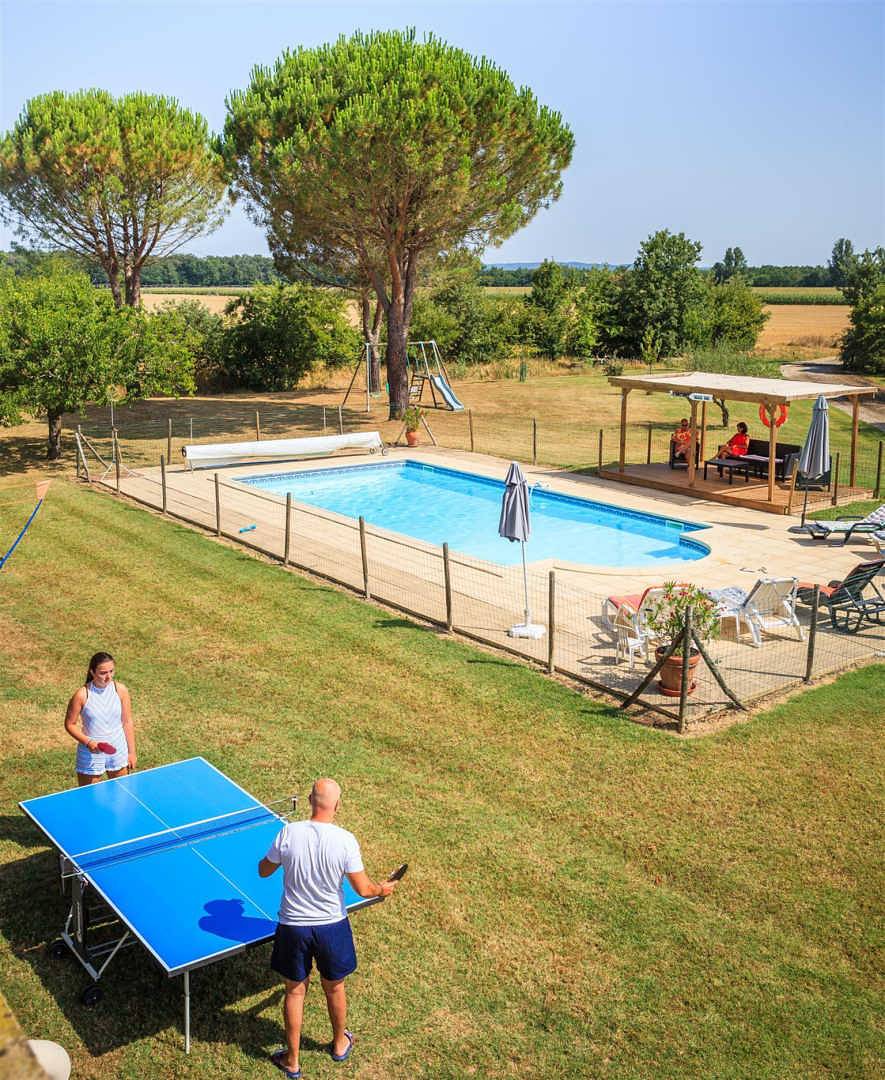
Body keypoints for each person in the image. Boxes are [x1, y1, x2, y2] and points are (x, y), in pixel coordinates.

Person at [259, 778, 398, 1079]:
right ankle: (338, 1044)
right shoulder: (346, 840)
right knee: (334, 986)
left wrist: (280, 861)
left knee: (295, 992)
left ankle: (292, 1061)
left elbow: (263, 870)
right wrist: (382, 889)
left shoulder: (288, 833)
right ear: (337, 805)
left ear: (310, 800)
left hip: (294, 926)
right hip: (332, 927)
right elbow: (362, 889)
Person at [64, 652, 136, 786]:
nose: (108, 677)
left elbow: (127, 722)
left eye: (111, 671)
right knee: (89, 798)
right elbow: (70, 724)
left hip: (118, 749)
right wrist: (88, 742)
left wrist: (131, 753)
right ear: (92, 672)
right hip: (91, 753)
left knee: (123, 795)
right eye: (103, 673)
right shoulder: (82, 695)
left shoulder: (120, 690)